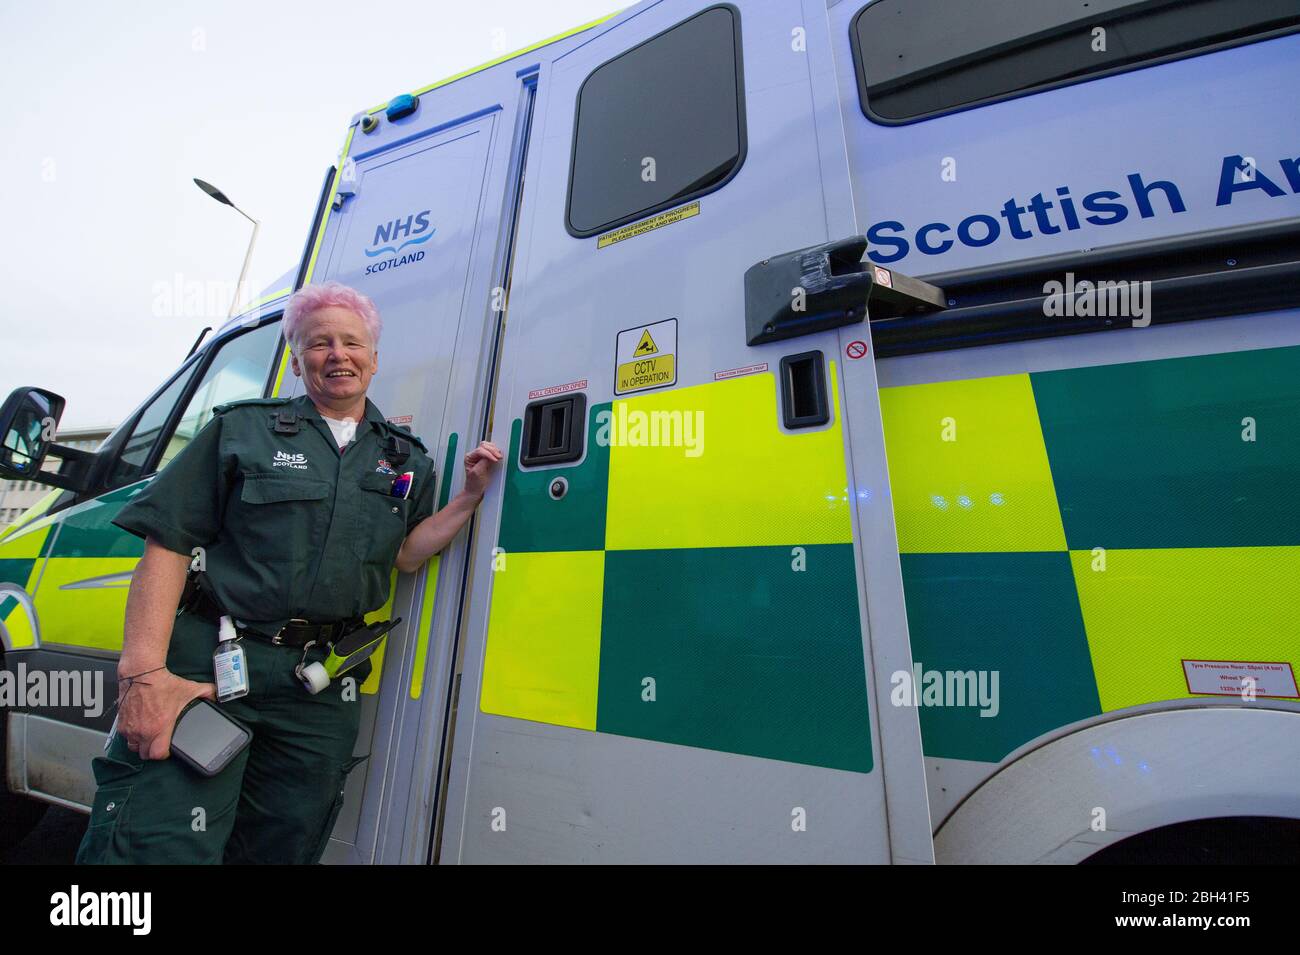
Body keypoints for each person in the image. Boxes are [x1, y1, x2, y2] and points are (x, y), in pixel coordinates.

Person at [75, 280, 502, 864]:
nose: (337, 355)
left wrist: (467, 498)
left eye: (351, 343)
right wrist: (143, 673)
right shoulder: (241, 431)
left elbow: (404, 554)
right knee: (156, 843)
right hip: (213, 663)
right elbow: (167, 543)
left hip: (319, 684)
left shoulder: (405, 457)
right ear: (297, 363)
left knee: (282, 845)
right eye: (318, 343)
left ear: (374, 359)